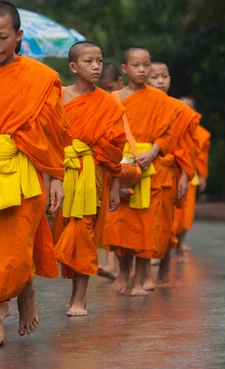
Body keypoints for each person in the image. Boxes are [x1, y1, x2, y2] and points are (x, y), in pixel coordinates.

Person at [0, 1, 70, 348]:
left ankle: (26, 291)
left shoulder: (39, 79)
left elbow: (54, 132)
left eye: (3, 37)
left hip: (23, 172)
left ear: (19, 35)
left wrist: (56, 177)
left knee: (19, 247)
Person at [51, 41, 126, 316]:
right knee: (61, 233)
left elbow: (115, 149)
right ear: (73, 66)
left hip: (92, 174)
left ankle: (80, 298)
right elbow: (47, 138)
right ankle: (74, 292)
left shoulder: (107, 103)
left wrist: (115, 187)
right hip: (60, 172)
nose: (96, 67)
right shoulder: (57, 97)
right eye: (88, 61)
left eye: (99, 61)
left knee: (84, 231)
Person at [102, 47, 178, 296]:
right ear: (125, 69)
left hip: (148, 166)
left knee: (146, 224)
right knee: (122, 223)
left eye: (146, 65)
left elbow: (167, 133)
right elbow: (106, 131)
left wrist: (153, 152)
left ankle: (140, 276)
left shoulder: (160, 100)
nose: (143, 70)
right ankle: (124, 272)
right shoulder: (114, 98)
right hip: (122, 167)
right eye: (137, 65)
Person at [147, 62, 200, 287]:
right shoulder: (137, 104)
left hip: (169, 172)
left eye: (164, 76)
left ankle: (164, 264)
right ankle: (140, 274)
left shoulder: (180, 110)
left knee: (166, 224)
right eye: (155, 77)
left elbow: (188, 147)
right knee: (141, 223)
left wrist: (185, 176)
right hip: (142, 172)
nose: (160, 81)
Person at [95, 62, 125, 280]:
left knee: (117, 218)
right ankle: (109, 263)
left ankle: (117, 265)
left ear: (119, 83)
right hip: (96, 163)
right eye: (102, 87)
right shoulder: (94, 102)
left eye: (110, 87)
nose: (106, 92)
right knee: (105, 218)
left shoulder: (120, 102)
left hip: (123, 160)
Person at [173, 96, 211, 261]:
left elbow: (201, 157)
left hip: (189, 176)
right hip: (170, 174)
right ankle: (165, 246)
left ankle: (180, 242)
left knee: (186, 214)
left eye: (188, 108)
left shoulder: (201, 134)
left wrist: (202, 175)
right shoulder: (170, 127)